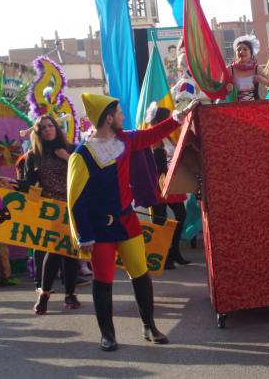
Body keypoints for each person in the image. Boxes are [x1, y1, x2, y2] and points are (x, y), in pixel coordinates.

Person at [68, 93, 198, 351]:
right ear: (108, 117)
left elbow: (150, 135)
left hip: (127, 222)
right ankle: (107, 334)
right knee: (103, 281)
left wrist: (178, 117)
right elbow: (76, 200)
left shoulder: (124, 139)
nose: (123, 116)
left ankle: (149, 326)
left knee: (140, 274)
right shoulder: (82, 154)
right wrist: (84, 235)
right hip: (99, 229)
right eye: (118, 113)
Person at [17, 115, 81, 313]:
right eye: (43, 128)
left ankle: (70, 294)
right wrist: (6, 184)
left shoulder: (71, 149)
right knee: (53, 251)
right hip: (50, 210)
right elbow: (28, 184)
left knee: (71, 253)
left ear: (56, 127)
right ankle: (44, 294)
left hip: (73, 207)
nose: (47, 129)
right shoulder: (33, 155)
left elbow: (85, 173)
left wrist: (67, 158)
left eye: (50, 125)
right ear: (38, 133)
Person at [147, 106, 190, 270]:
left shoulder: (167, 136)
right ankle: (163, 256)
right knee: (160, 219)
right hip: (158, 182)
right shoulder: (153, 136)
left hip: (171, 180)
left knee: (180, 214)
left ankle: (175, 251)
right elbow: (155, 163)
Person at [223, 35, 269, 102]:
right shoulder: (229, 69)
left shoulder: (257, 68)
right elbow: (218, 88)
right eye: (238, 49)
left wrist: (263, 80)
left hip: (255, 107)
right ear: (235, 53)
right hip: (235, 108)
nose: (241, 52)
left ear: (251, 52)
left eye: (245, 49)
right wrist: (227, 89)